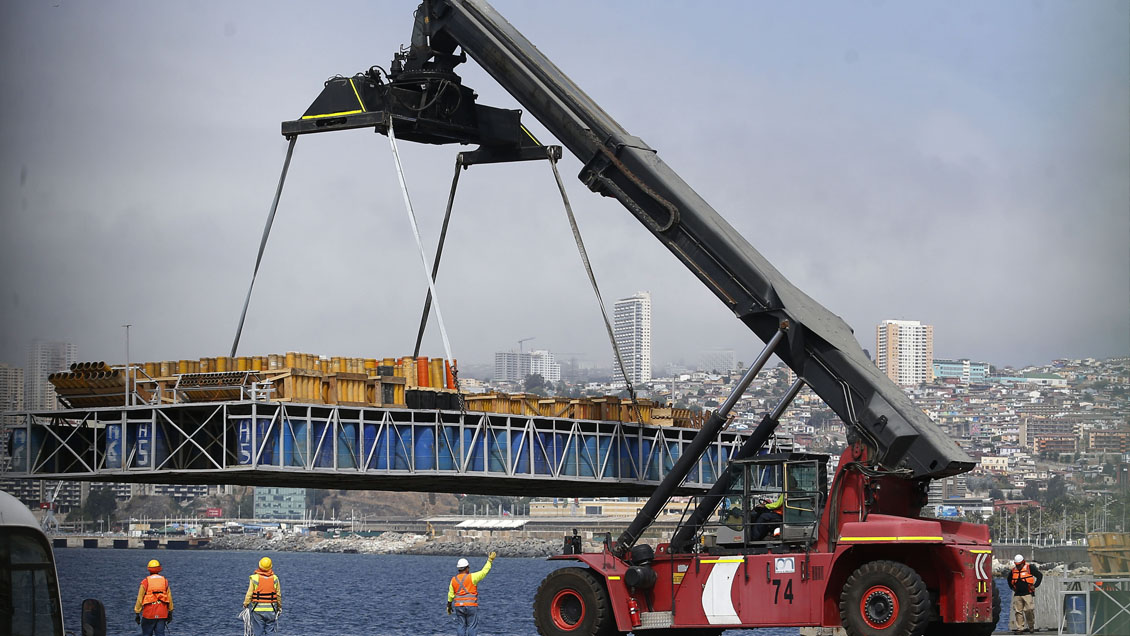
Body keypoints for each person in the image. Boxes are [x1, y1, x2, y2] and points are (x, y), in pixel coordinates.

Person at [447, 551, 496, 636]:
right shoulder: (472, 577)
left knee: (461, 625)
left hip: (459, 606)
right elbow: (484, 572)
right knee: (472, 626)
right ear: (467, 568)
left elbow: (450, 594)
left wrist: (449, 605)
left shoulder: (453, 580)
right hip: (471, 605)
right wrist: (490, 561)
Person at [243, 556, 281, 636]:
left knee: (258, 632)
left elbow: (249, 593)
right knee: (270, 631)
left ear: (260, 565)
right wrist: (279, 607)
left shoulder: (254, 578)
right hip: (271, 610)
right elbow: (278, 595)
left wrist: (246, 604)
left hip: (257, 610)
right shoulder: (275, 579)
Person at [134, 559, 173, 636]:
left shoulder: (145, 582)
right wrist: (170, 612)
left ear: (149, 569)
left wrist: (137, 613)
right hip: (162, 613)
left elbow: (139, 598)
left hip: (149, 613)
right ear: (159, 569)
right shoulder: (164, 581)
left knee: (146, 634)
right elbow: (169, 598)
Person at [1007, 553, 1042, 633]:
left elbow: (1039, 576)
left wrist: (1035, 585)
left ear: (1023, 562)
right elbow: (1009, 579)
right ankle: (1020, 628)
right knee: (1018, 612)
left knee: (1029, 610)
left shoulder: (1029, 568)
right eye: (1016, 564)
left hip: (1028, 593)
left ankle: (1031, 626)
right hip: (1017, 594)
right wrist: (1012, 588)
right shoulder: (1013, 571)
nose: (1018, 566)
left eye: (1019, 564)